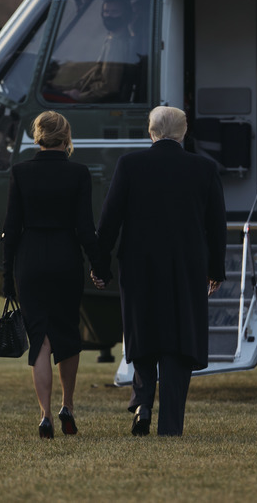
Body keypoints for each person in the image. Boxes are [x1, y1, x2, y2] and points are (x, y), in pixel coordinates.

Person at [92, 106, 226, 437]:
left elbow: (110, 220)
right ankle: (170, 425)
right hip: (187, 265)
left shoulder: (129, 165)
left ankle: (142, 402)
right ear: (184, 132)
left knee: (143, 331)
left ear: (150, 132)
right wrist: (216, 270)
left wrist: (99, 266)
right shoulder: (205, 168)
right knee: (180, 340)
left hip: (139, 263)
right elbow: (216, 226)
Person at [1, 111, 99, 439]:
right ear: (66, 136)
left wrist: (6, 271)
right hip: (65, 257)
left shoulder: (21, 172)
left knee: (39, 338)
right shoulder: (79, 173)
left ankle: (44, 415)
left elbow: (11, 227)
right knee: (67, 335)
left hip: (29, 260)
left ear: (37, 136)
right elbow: (86, 228)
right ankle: (67, 405)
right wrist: (99, 265)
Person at [49, 0, 135, 103]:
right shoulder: (111, 39)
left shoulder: (117, 44)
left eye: (114, 12)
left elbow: (109, 87)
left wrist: (80, 96)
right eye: (106, 12)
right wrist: (63, 88)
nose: (109, 16)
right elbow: (95, 74)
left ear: (125, 14)